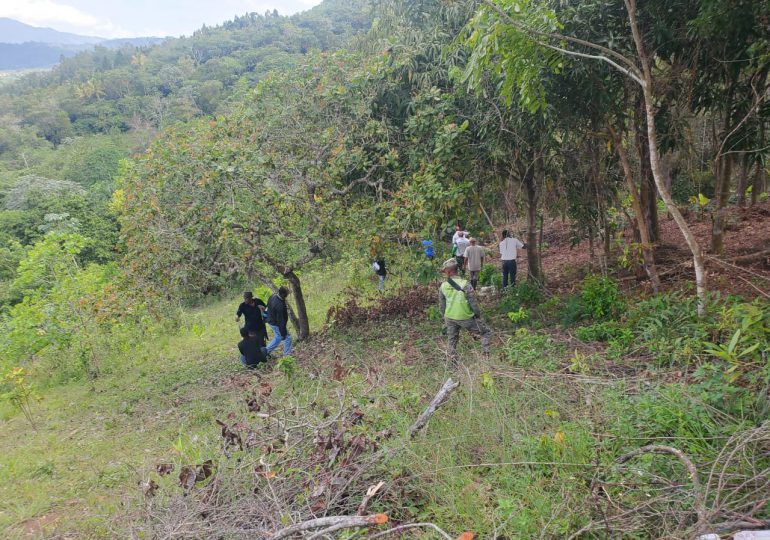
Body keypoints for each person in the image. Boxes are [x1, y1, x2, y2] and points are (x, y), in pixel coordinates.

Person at [438, 258, 491, 362]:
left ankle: (452, 362)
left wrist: (445, 317)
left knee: (452, 340)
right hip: (465, 316)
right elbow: (473, 303)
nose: (444, 273)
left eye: (444, 271)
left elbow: (442, 306)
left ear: (448, 271)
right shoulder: (466, 284)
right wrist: (477, 315)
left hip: (450, 317)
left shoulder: (443, 286)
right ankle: (485, 357)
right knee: (486, 333)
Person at [266, 286, 292, 356]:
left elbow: (267, 306)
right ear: (283, 294)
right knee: (287, 337)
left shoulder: (273, 296)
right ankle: (287, 355)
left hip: (271, 320)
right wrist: (283, 333)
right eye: (287, 293)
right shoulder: (279, 305)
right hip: (275, 323)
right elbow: (281, 322)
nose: (288, 295)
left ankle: (266, 351)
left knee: (278, 337)